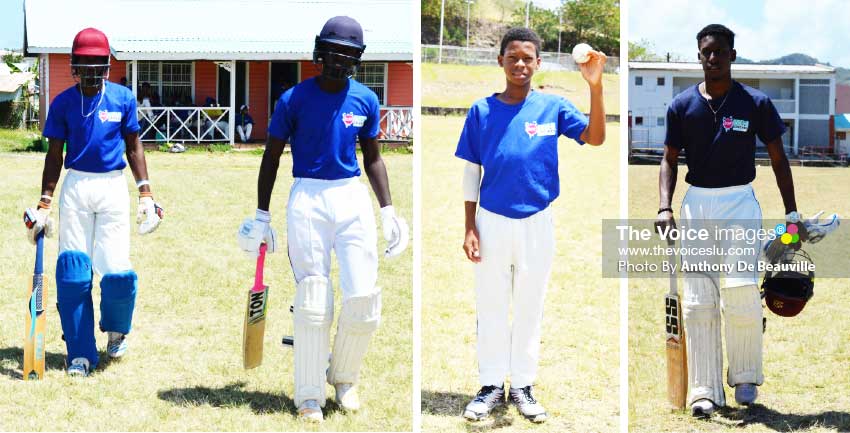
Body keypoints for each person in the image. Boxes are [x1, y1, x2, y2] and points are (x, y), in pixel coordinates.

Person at [236, 16, 408, 422]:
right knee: (313, 300)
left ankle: (344, 377)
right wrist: (262, 214)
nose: (338, 62)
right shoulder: (293, 99)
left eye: (347, 56)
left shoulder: (365, 99)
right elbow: (271, 157)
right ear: (318, 52)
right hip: (308, 197)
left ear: (357, 60)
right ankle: (309, 394)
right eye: (332, 53)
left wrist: (388, 210)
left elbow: (373, 158)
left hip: (351, 198)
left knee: (363, 297)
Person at [455, 28, 606, 423]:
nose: (520, 64)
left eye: (528, 58)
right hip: (491, 220)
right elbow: (472, 172)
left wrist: (595, 87)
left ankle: (522, 385)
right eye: (513, 57)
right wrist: (470, 226)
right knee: (490, 304)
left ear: (539, 63)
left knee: (529, 306)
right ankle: (490, 384)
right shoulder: (482, 111)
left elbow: (596, 138)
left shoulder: (552, 107)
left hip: (537, 221)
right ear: (501, 61)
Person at [655, 24, 806, 417]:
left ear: (732, 55)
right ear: (699, 56)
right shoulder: (681, 105)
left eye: (720, 51)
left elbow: (778, 159)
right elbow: (669, 159)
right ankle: (704, 388)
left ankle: (744, 377)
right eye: (706, 51)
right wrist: (664, 207)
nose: (713, 58)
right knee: (699, 300)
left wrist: (791, 214)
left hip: (740, 203)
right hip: (696, 206)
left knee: (740, 290)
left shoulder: (755, 103)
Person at [27, 27, 163, 377]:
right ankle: (79, 352)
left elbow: (134, 146)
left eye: (95, 65)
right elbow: (54, 156)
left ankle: (116, 331)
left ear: (105, 66)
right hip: (76, 187)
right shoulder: (63, 102)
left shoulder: (122, 98)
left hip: (113, 187)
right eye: (83, 65)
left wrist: (145, 193)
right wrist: (44, 202)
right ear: (74, 66)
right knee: (73, 273)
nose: (89, 72)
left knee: (117, 271)